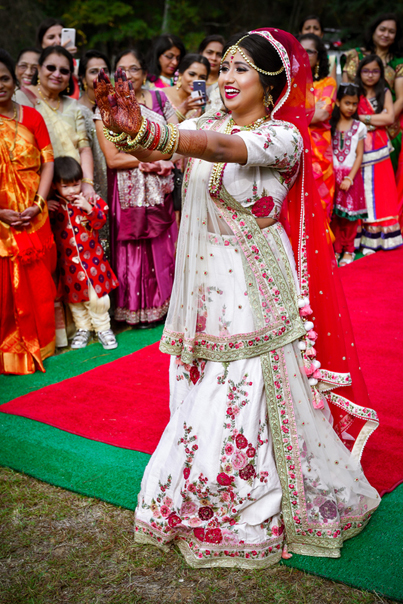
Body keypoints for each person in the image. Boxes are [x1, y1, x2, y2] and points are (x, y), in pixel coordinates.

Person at [95, 28, 380, 567]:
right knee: (200, 382)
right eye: (223, 66)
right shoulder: (202, 122)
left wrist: (161, 133)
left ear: (270, 83)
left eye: (241, 68)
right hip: (206, 287)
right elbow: (162, 138)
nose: (226, 77)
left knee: (245, 389)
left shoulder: (283, 137)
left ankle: (257, 496)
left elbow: (222, 148)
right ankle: (201, 489)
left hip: (257, 289)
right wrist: (121, 125)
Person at [95, 48, 178, 327]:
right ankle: (133, 311)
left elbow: (176, 140)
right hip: (128, 189)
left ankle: (166, 306)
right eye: (121, 70)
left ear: (144, 73)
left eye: (133, 69)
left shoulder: (159, 98)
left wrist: (166, 162)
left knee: (161, 245)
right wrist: (151, 160)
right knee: (133, 249)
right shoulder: (107, 106)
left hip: (159, 185)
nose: (127, 75)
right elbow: (113, 158)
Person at [0, 49, 56, 374]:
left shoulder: (32, 116)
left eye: (4, 78)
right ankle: (10, 353)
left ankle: (41, 345)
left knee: (38, 282)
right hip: (3, 219)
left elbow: (48, 161)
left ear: (15, 79)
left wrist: (38, 203)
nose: (0, 85)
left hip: (34, 214)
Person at [49, 156, 118, 349]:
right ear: (54, 185)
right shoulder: (55, 208)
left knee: (98, 299)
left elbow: (101, 220)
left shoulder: (89, 200)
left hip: (94, 263)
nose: (72, 191)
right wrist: (44, 208)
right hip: (69, 266)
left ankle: (104, 328)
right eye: (66, 186)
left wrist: (89, 208)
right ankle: (83, 328)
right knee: (75, 300)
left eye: (75, 185)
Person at [342, 13, 403, 171]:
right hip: (354, 125)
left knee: (384, 179)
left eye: (391, 31)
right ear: (373, 31)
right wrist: (356, 122)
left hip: (388, 129)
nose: (386, 34)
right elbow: (345, 93)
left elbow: (401, 98)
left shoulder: (399, 62)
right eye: (382, 29)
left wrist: (381, 122)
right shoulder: (354, 56)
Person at [356, 55, 402, 253]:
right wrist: (376, 120)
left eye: (375, 71)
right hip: (358, 150)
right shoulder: (354, 92)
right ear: (359, 72)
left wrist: (364, 119)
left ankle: (382, 237)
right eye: (366, 71)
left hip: (380, 150)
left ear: (381, 73)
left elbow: (390, 117)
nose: (370, 75)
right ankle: (363, 237)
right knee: (362, 192)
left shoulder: (384, 92)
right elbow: (349, 116)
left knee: (383, 192)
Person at [299, 33, 337, 218]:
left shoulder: (328, 83)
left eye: (309, 51)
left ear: (319, 55)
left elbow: (322, 113)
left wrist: (292, 114)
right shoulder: (289, 83)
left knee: (320, 203)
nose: (304, 55)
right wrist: (310, 112)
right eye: (300, 51)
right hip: (293, 145)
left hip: (319, 150)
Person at [330, 84, 367, 265]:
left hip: (350, 177)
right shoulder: (330, 125)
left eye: (354, 104)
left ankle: (349, 250)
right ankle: (336, 249)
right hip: (332, 175)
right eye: (347, 103)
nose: (351, 107)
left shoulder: (359, 127)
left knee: (349, 217)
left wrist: (349, 177)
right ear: (337, 102)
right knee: (334, 215)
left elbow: (359, 154)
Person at [78, 50, 111, 252]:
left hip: (115, 184)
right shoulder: (74, 110)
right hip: (87, 187)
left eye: (105, 71)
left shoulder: (116, 107)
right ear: (82, 78)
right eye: (93, 71)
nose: (100, 75)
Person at [36, 17, 79, 99]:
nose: (58, 41)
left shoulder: (78, 65)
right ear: (42, 43)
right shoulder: (34, 64)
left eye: (61, 36)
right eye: (51, 37)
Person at [164, 54, 210, 123]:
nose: (196, 80)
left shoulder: (199, 105)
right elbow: (160, 128)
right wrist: (184, 108)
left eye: (202, 77)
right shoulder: (161, 96)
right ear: (180, 74)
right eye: (192, 74)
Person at [298, 15, 337, 80]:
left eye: (316, 28)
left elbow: (332, 88)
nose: (311, 31)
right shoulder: (291, 58)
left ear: (322, 34)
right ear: (300, 33)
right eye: (307, 28)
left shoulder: (330, 61)